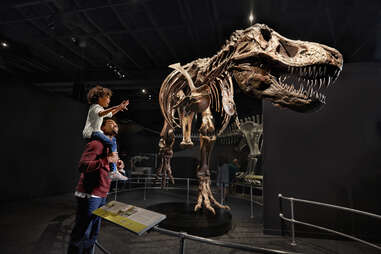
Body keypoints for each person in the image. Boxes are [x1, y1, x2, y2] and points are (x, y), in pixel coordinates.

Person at [68, 118, 125, 254]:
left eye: (116, 123)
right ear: (102, 128)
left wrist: (118, 166)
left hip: (101, 195)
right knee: (82, 233)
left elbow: (107, 169)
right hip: (89, 195)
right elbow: (82, 166)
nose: (115, 124)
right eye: (110, 123)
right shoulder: (96, 144)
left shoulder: (110, 148)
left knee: (93, 234)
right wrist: (106, 160)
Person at [82, 85, 129, 181]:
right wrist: (116, 106)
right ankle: (113, 171)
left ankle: (115, 168)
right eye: (107, 97)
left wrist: (119, 108)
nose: (109, 100)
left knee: (112, 141)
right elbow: (101, 114)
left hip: (95, 133)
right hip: (92, 133)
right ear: (99, 98)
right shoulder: (95, 107)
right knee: (112, 142)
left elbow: (110, 114)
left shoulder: (100, 108)